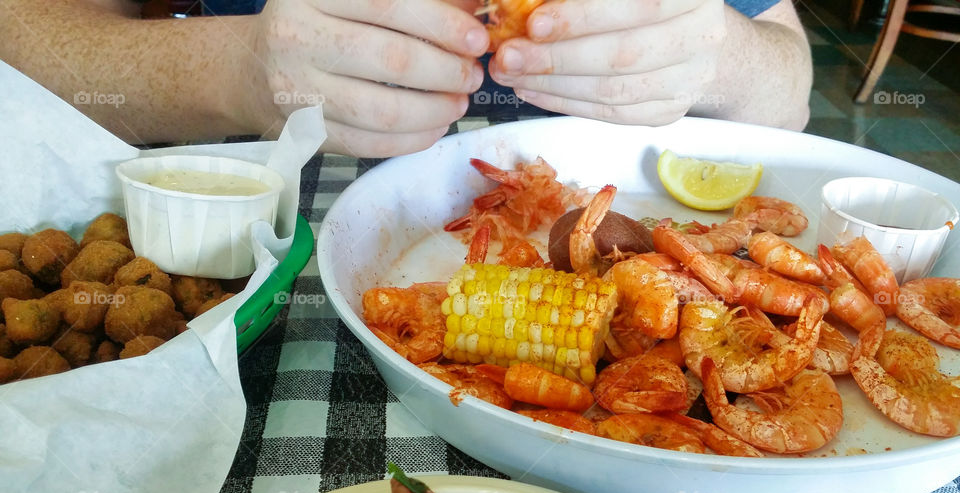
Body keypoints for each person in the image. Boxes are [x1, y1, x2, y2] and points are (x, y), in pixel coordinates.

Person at [0, 0, 812, 157]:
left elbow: (789, 86)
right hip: (258, 269)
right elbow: (22, 42)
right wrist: (236, 68)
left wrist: (724, 54)